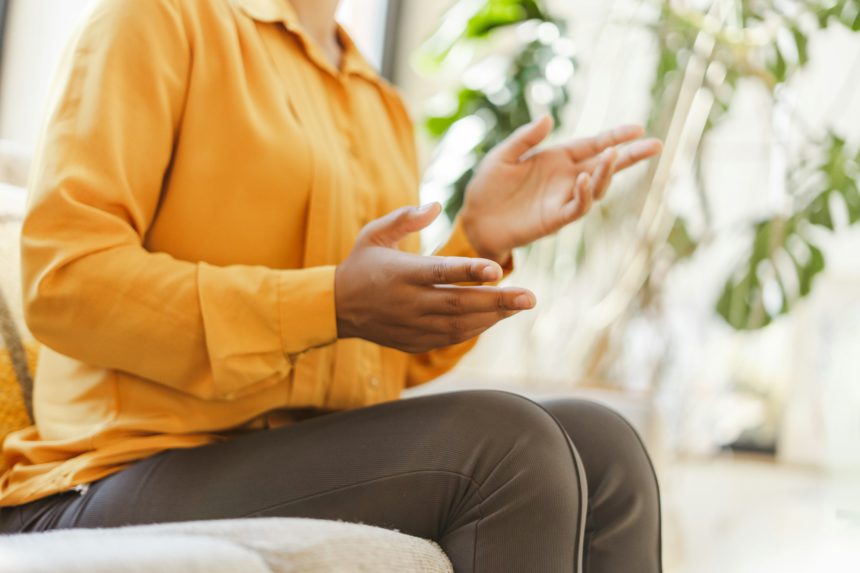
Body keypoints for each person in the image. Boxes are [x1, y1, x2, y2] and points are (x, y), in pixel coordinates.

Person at [0, 0, 664, 571]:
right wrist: (330, 303)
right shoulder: (157, 19)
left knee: (603, 444)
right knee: (509, 447)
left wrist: (479, 242)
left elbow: (369, 359)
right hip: (107, 476)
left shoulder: (379, 106)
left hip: (285, 457)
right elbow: (66, 282)